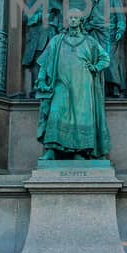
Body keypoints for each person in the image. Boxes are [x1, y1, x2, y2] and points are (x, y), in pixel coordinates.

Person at [36, 13, 111, 159]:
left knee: (81, 117)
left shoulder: (90, 41)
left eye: (76, 17)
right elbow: (45, 63)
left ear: (81, 21)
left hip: (83, 84)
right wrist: (41, 80)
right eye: (70, 17)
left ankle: (79, 151)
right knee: (56, 111)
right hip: (61, 83)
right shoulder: (57, 40)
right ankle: (52, 150)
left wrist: (95, 67)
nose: (72, 20)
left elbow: (105, 58)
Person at [87, 0, 127, 96]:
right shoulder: (96, 2)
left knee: (111, 60)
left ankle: (115, 86)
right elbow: (91, 18)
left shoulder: (114, 0)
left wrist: (120, 29)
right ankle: (101, 87)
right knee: (96, 59)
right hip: (96, 34)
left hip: (109, 34)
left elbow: (120, 16)